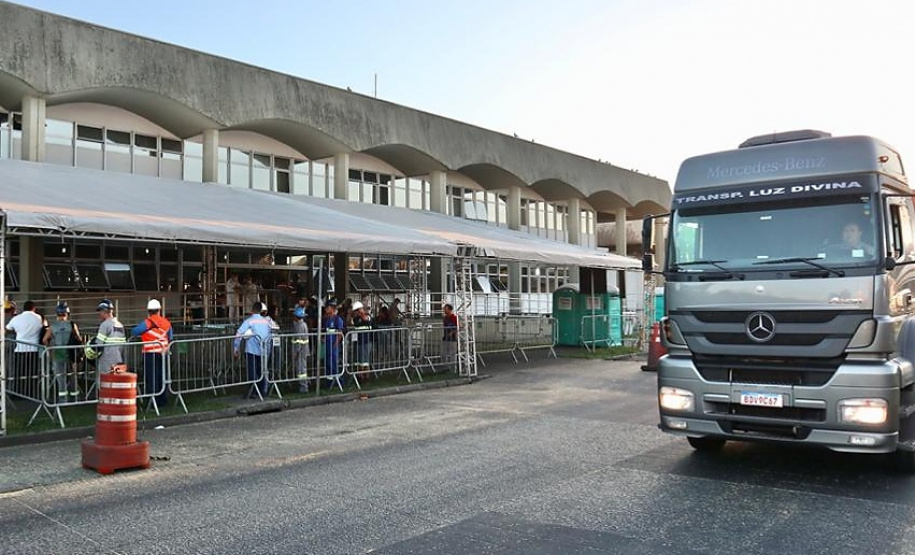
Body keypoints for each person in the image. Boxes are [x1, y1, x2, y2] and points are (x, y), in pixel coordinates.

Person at [131, 299, 173, 408]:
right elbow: (171, 338)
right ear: (159, 310)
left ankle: (152, 400)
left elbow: (134, 332)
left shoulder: (147, 323)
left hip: (150, 353)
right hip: (163, 354)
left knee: (151, 377)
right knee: (162, 376)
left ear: (148, 311)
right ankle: (162, 400)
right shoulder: (166, 322)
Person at [42, 303, 82, 401]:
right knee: (73, 374)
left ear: (57, 314)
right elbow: (79, 338)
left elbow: (44, 340)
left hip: (57, 351)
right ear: (67, 313)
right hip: (71, 352)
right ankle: (75, 396)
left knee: (60, 376)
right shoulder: (72, 325)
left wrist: (49, 349)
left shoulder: (52, 326)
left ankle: (62, 398)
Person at [233, 301, 273, 398]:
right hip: (264, 350)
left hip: (252, 350)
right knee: (262, 371)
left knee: (252, 371)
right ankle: (262, 391)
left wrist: (236, 348)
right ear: (260, 310)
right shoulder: (267, 321)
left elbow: (239, 333)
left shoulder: (249, 321)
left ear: (252, 310)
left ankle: (254, 392)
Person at [6, 300, 44, 397]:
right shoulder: (39, 318)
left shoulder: (17, 318)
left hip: (20, 349)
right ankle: (31, 393)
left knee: (20, 373)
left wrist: (17, 331)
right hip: (34, 349)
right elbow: (42, 327)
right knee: (33, 374)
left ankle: (19, 393)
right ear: (34, 308)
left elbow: (7, 329)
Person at [89, 299, 127, 374]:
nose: (99, 313)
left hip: (106, 361)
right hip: (119, 361)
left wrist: (89, 351)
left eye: (100, 311)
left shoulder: (104, 325)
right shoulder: (120, 325)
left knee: (104, 383)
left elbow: (98, 345)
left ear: (104, 311)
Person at [321, 299, 345, 387]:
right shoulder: (327, 319)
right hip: (327, 344)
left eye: (327, 308)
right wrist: (323, 338)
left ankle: (339, 381)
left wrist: (336, 343)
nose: (326, 309)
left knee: (333, 362)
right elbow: (326, 331)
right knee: (327, 362)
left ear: (332, 308)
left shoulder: (337, 319)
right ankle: (329, 380)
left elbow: (340, 332)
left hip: (333, 345)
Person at [350, 301, 373, 374]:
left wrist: (362, 312)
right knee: (359, 361)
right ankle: (360, 375)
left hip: (366, 341)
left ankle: (366, 376)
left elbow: (366, 319)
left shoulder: (367, 316)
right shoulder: (356, 319)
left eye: (357, 311)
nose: (356, 312)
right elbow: (351, 322)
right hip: (359, 341)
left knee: (365, 361)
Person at [291, 306, 311, 393]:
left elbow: (298, 341)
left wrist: (296, 353)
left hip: (300, 351)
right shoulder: (303, 324)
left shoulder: (299, 326)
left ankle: (304, 386)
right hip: (303, 350)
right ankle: (304, 384)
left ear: (296, 317)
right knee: (302, 369)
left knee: (301, 370)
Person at [441, 303, 458, 371]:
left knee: (452, 354)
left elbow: (458, 327)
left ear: (450, 310)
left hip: (452, 339)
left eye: (445, 309)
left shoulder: (454, 318)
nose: (444, 310)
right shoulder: (445, 318)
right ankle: (446, 367)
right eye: (444, 309)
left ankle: (453, 368)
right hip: (445, 337)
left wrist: (452, 332)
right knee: (443, 353)